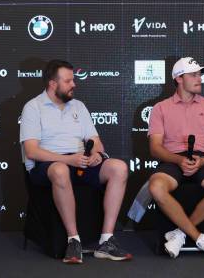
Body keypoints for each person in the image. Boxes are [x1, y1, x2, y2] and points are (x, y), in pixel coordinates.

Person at [20, 60, 132, 264]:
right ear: (53, 84)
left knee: (119, 168)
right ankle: (74, 240)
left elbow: (96, 142)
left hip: (80, 161)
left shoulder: (78, 106)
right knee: (61, 170)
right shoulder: (33, 107)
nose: (74, 84)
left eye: (73, 80)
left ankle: (106, 240)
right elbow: (32, 151)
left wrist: (97, 155)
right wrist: (68, 159)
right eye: (68, 80)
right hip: (48, 165)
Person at [147, 57, 204, 259]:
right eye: (193, 75)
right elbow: (155, 148)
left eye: (199, 74)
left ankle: (180, 234)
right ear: (178, 78)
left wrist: (202, 161)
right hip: (171, 160)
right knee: (156, 186)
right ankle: (200, 238)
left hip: (203, 159)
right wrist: (178, 160)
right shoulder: (160, 108)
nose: (199, 78)